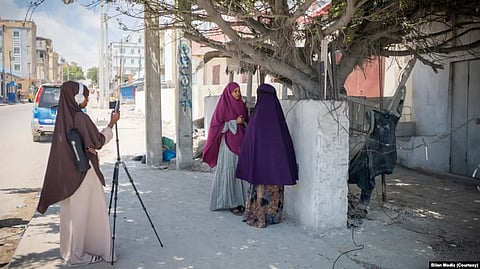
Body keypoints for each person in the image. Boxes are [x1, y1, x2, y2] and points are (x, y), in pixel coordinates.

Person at [37, 80, 120, 266]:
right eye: (86, 96)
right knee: (89, 214)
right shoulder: (80, 118)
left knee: (72, 216)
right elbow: (98, 141)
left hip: (69, 176)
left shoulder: (63, 118)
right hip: (84, 174)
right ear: (77, 97)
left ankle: (69, 251)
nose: (88, 100)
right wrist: (111, 123)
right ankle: (79, 255)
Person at [235, 83, 299, 228]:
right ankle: (273, 216)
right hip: (276, 168)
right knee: (274, 188)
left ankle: (258, 214)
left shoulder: (256, 117)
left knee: (260, 188)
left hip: (258, 168)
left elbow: (250, 143)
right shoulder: (278, 117)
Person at [202, 82, 249, 215]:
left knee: (239, 173)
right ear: (229, 93)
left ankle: (240, 201)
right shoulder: (223, 105)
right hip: (228, 145)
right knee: (229, 172)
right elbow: (216, 126)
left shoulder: (241, 105)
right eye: (235, 91)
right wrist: (235, 122)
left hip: (241, 143)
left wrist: (243, 121)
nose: (238, 94)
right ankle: (231, 202)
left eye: (239, 91)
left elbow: (247, 121)